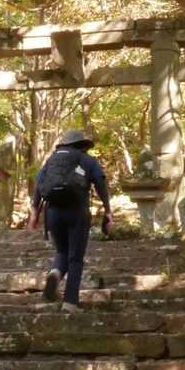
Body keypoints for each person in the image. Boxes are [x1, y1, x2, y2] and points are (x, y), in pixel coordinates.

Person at [30, 129, 112, 313]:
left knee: (61, 251)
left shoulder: (52, 160)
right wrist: (107, 209)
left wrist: (35, 212)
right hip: (77, 211)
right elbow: (100, 182)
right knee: (75, 258)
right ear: (83, 145)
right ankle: (70, 303)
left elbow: (39, 185)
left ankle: (55, 273)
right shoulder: (88, 160)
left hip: (53, 212)